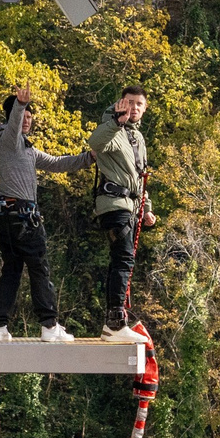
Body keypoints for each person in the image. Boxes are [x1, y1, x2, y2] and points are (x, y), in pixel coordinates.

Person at [0, 89, 88, 342]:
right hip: (22, 217)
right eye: (23, 116)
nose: (27, 120)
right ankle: (49, 324)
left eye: (30, 116)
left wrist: (89, 158)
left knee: (12, 270)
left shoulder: (28, 150)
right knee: (39, 269)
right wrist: (20, 104)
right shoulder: (8, 139)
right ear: (12, 116)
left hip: (7, 216)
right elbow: (14, 124)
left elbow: (56, 163)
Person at [87, 87, 153, 339]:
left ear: (144, 109)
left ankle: (115, 321)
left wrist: (146, 209)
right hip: (114, 204)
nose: (134, 107)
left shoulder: (137, 137)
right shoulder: (113, 128)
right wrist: (116, 121)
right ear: (121, 103)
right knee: (123, 260)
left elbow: (139, 177)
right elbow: (95, 142)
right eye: (130, 102)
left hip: (130, 206)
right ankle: (115, 323)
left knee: (122, 261)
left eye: (139, 104)